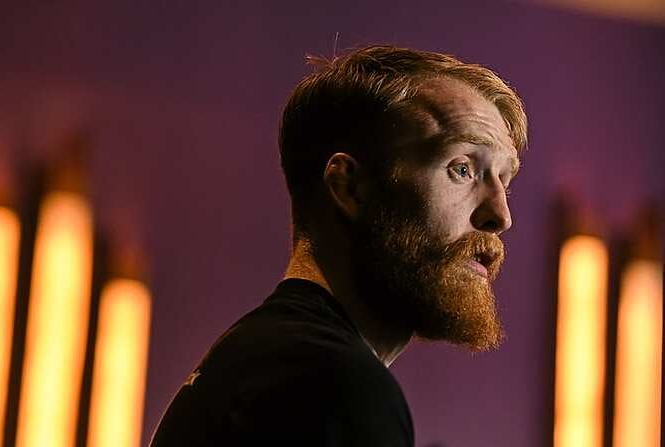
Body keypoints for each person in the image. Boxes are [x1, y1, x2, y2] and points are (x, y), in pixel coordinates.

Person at [150, 45, 527, 446]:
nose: (500, 217)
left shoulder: (259, 361)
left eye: (504, 180)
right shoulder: (333, 384)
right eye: (462, 169)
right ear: (349, 186)